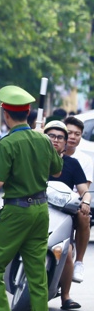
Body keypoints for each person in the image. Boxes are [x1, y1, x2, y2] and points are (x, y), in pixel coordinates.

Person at [0, 86, 62, 311]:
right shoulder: (43, 140)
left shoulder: (8, 143)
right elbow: (57, 170)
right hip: (40, 210)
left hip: (16, 211)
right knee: (37, 273)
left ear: (6, 114)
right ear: (27, 112)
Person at [43, 120, 90, 311]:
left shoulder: (72, 164)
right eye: (51, 136)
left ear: (65, 143)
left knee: (66, 252)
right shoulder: (34, 159)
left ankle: (66, 296)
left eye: (60, 138)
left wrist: (85, 200)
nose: (56, 140)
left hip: (63, 212)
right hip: (34, 208)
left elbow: (84, 190)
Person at [63, 116, 91, 283]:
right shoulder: (48, 153)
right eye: (69, 133)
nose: (73, 137)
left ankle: (79, 261)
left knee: (84, 216)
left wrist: (84, 202)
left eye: (77, 134)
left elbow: (83, 190)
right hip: (47, 201)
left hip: (72, 203)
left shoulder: (84, 160)